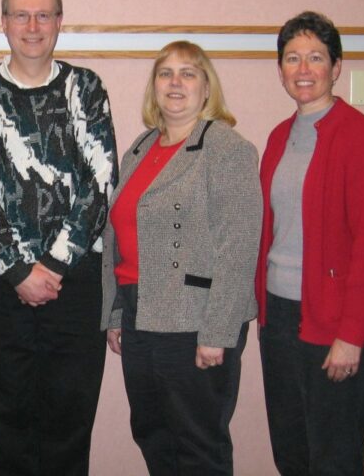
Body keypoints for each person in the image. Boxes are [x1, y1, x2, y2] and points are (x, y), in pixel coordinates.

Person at [0, 0, 117, 476]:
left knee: (71, 418)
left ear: (59, 23)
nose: (32, 26)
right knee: (8, 417)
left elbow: (100, 181)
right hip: (3, 288)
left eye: (43, 15)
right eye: (21, 16)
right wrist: (20, 270)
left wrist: (53, 264)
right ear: (2, 23)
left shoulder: (85, 88)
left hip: (76, 283)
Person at [101, 41, 262, 475]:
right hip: (139, 312)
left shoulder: (226, 149)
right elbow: (121, 237)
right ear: (154, 87)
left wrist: (218, 331)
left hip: (196, 320)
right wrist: (117, 313)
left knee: (197, 445)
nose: (176, 82)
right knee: (153, 435)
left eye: (188, 73)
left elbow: (240, 246)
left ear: (207, 89)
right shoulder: (141, 147)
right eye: (166, 73)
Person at [256, 11, 364, 476]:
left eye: (315, 57)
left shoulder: (361, 138)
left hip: (335, 323)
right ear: (280, 70)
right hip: (280, 316)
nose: (302, 70)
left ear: (337, 67)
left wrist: (351, 337)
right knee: (292, 453)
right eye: (292, 58)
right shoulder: (279, 137)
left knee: (334, 458)